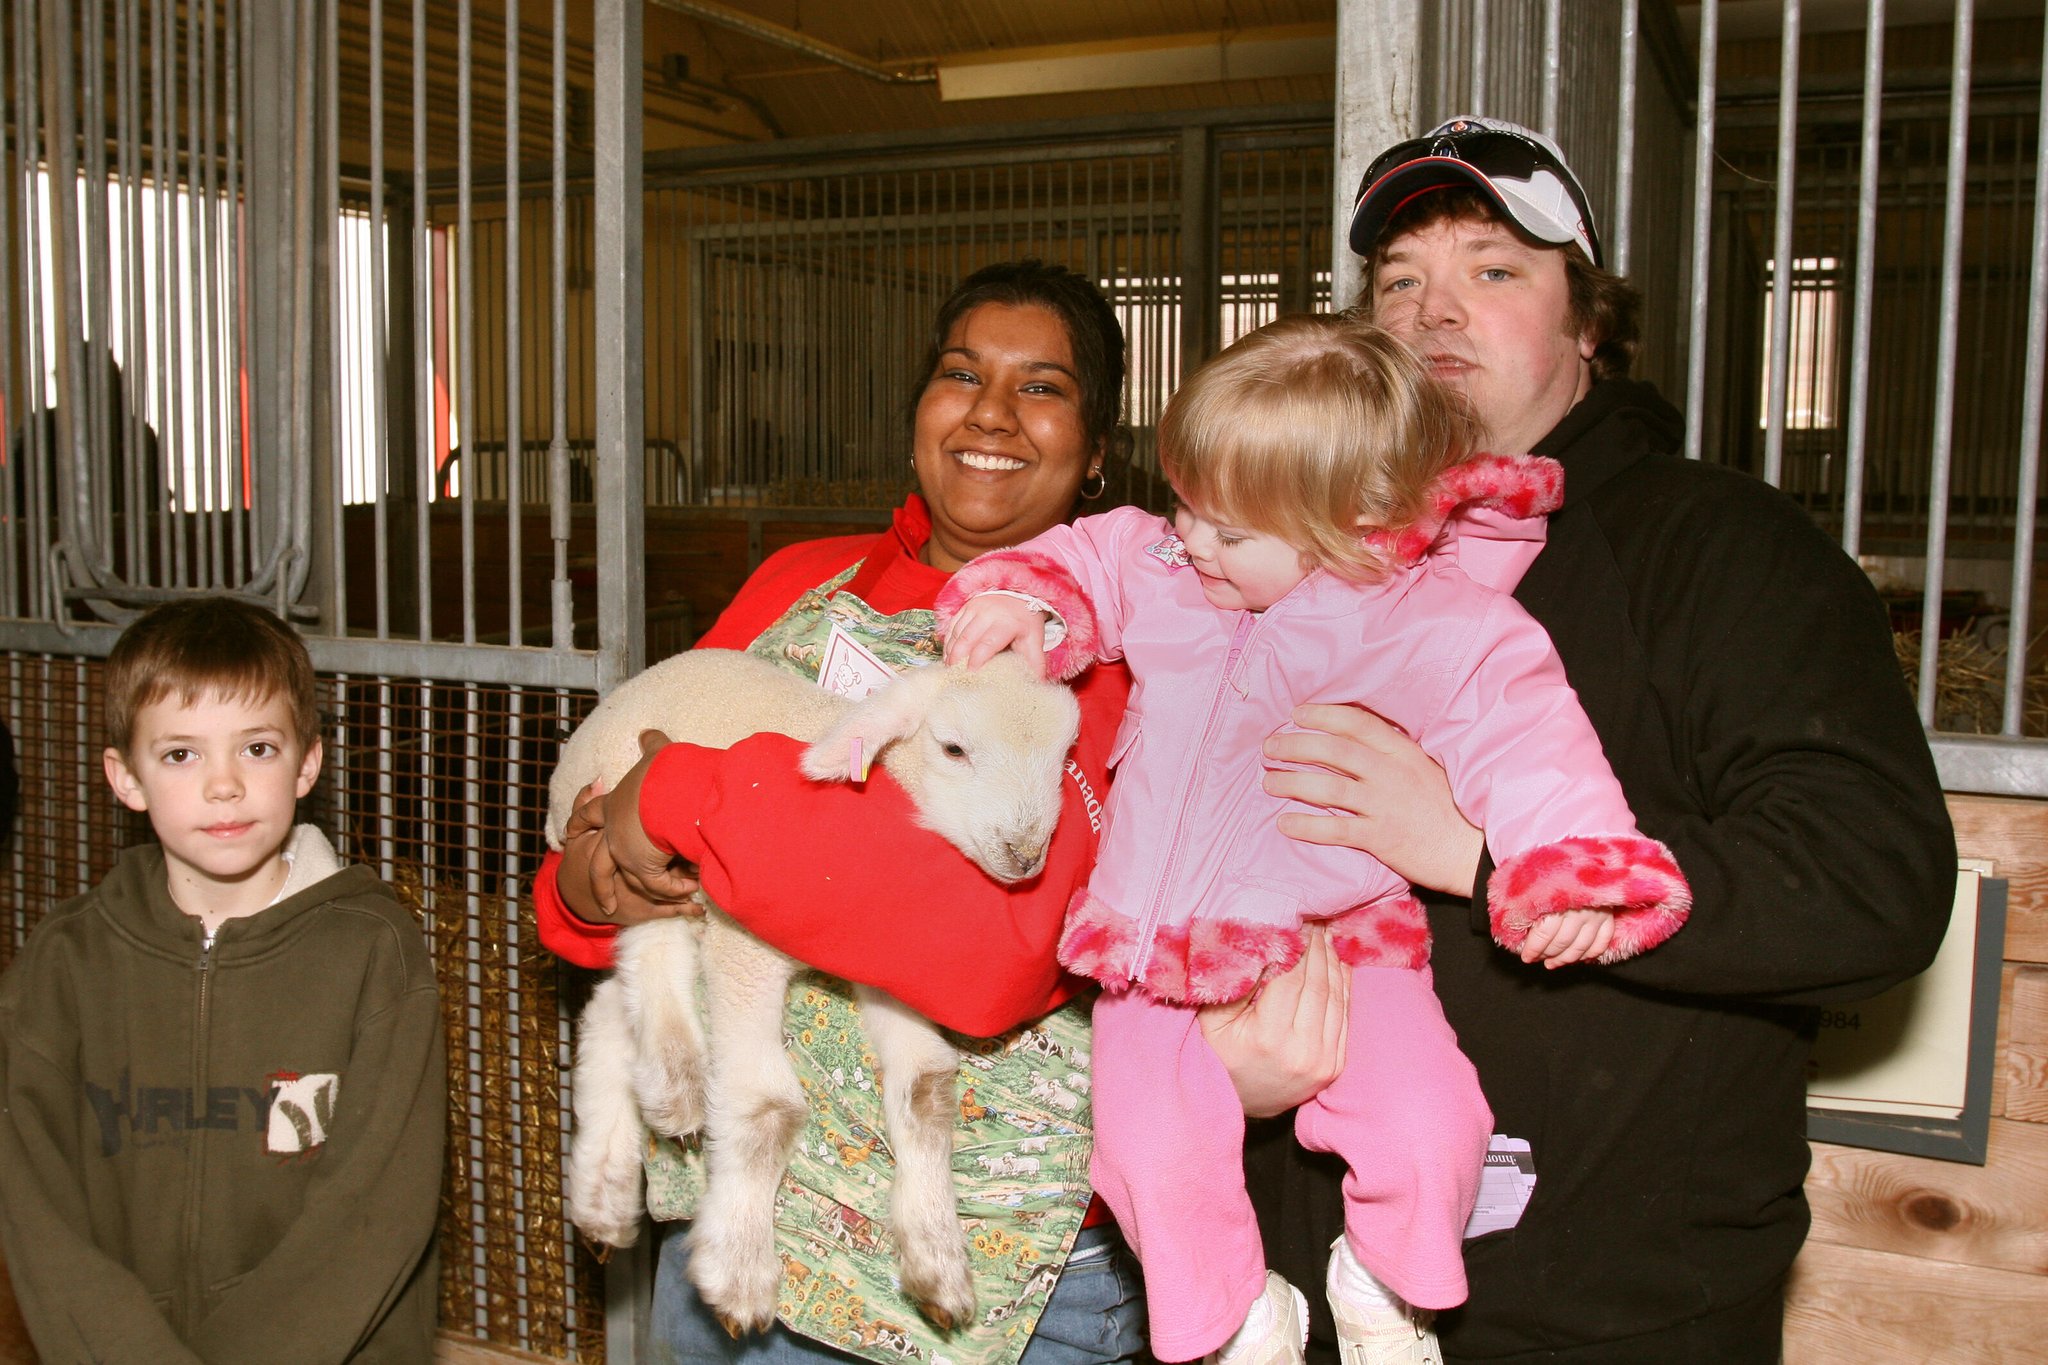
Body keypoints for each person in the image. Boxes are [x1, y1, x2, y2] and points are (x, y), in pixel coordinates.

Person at [1228, 115, 1956, 1365]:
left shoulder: (1721, 547)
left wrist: (1481, 857)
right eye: (1397, 282)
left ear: (1588, 327)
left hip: (1598, 1314)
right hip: (1301, 1299)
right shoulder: (1299, 558)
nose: (1432, 311)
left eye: (1492, 270)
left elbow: (1864, 883)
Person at [939, 314, 1691, 1365]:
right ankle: (1237, 1320)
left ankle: (1385, 1285)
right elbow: (1095, 552)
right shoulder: (1169, 564)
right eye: (1187, 504)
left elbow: (1527, 737)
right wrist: (1027, 601)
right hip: (1156, 950)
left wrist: (1568, 865)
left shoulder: (1433, 620)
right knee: (1146, 1153)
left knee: (1434, 1122)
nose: (1193, 541)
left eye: (1230, 530)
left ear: (1353, 521)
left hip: (1351, 939)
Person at [535, 260, 1147, 1365]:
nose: (991, 412)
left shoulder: (1115, 663)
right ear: (918, 410)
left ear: (1097, 450)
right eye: (960, 373)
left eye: (1041, 387)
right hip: (736, 1235)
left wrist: (674, 801)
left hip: (989, 1270)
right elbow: (592, 869)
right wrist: (596, 878)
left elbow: (992, 950)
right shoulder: (799, 584)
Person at [0, 595, 444, 1363]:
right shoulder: (64, 960)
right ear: (126, 777)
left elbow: (377, 1211)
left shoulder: (375, 952)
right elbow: (35, 1201)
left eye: (258, 748)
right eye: (181, 754)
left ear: (308, 762)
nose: (225, 784)